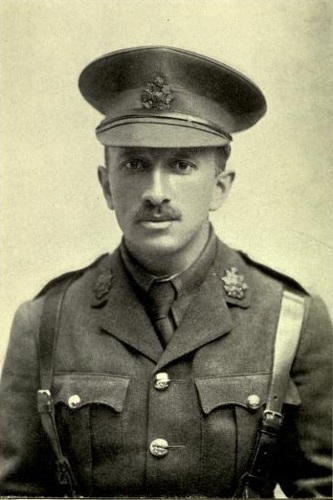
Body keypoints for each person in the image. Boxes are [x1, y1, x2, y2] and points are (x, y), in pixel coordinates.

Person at [0, 46, 331, 498]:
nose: (156, 193)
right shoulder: (45, 321)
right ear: (106, 185)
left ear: (219, 186)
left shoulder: (289, 319)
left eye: (181, 165)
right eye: (135, 165)